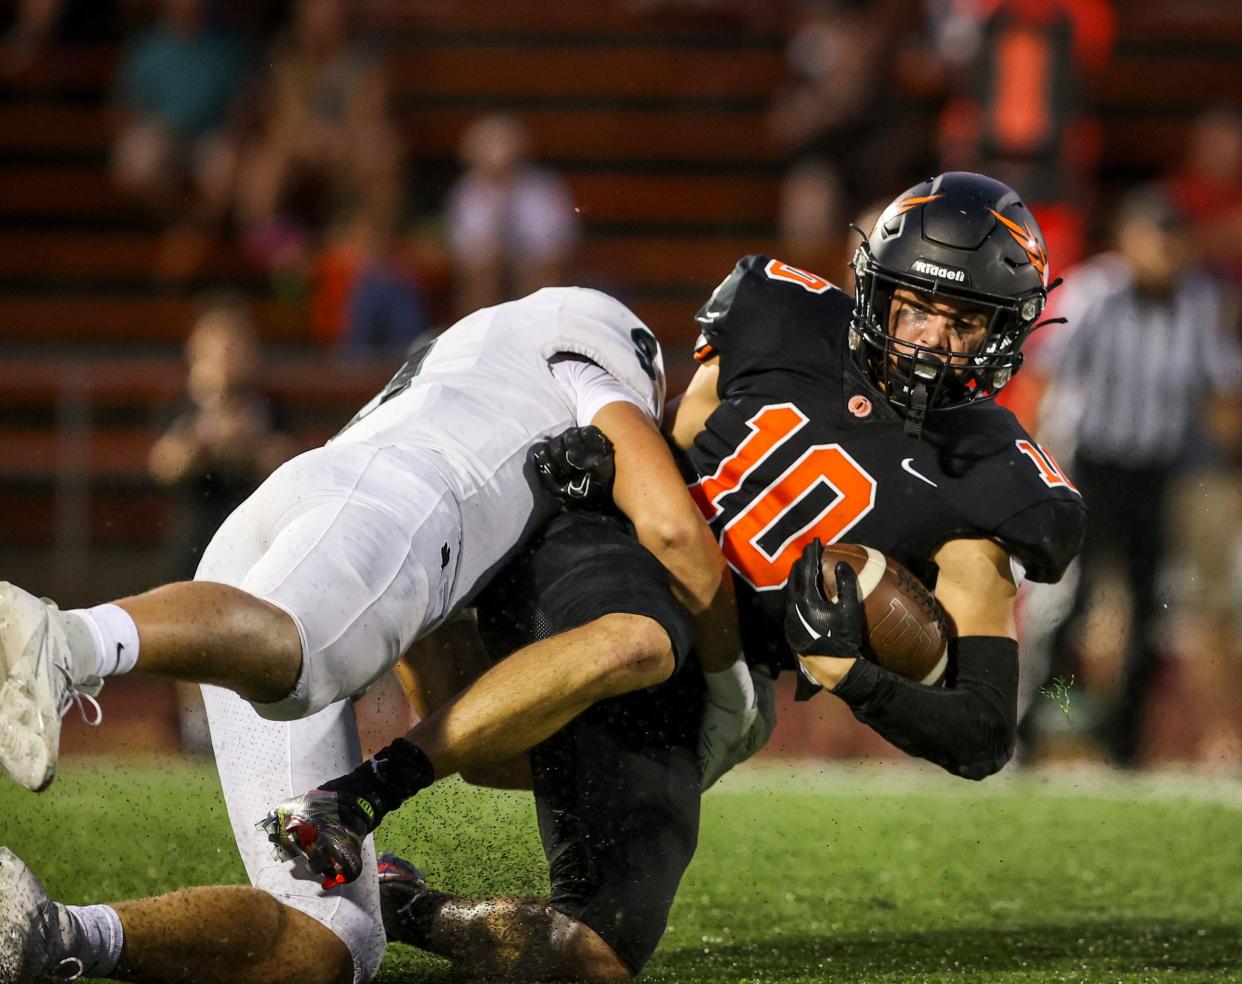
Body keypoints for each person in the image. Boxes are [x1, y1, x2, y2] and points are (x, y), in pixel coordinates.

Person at [370, 170, 1087, 979]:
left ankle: (402, 903)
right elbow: (677, 450)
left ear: (1006, 331)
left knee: (592, 951)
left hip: (710, 687)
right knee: (523, 697)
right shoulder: (777, 310)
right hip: (614, 567)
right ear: (873, 291)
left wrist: (855, 678)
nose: (932, 342)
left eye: (965, 322)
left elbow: (986, 732)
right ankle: (362, 771)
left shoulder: (997, 479)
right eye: (916, 307)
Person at [0, 286, 753, 984]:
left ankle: (59, 934)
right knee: (299, 652)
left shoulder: (455, 382)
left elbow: (436, 688)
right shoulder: (584, 363)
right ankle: (69, 642)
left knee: (334, 945)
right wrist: (732, 692)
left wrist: (403, 767)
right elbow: (675, 531)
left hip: (290, 519)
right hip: (390, 514)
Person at [1022, 186, 1242, 767]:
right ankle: (1035, 729)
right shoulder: (1095, 293)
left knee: (1148, 611)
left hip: (1154, 471)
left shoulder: (1198, 303)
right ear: (1130, 240)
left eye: (1175, 239)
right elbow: (1043, 376)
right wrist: (1032, 465)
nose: (1167, 252)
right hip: (1089, 466)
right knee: (1069, 603)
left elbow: (1221, 395)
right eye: (1157, 238)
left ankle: (1124, 746)